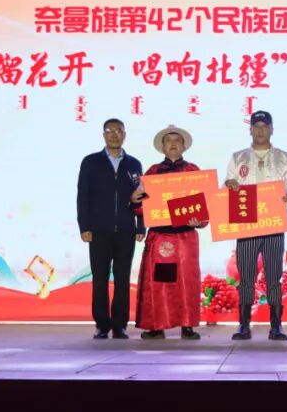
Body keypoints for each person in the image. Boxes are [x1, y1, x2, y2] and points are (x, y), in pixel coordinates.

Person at [223, 110, 287, 341]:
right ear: (250, 130)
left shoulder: (284, 158)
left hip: (274, 223)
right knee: (246, 277)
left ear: (272, 129)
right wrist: (230, 184)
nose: (260, 130)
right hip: (246, 225)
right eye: (256, 126)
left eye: (265, 126)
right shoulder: (238, 158)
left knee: (274, 276)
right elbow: (227, 185)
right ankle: (244, 325)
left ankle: (276, 325)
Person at [135, 125, 206, 340]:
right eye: (168, 140)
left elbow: (205, 205)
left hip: (185, 238)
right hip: (161, 238)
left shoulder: (193, 171)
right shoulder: (153, 173)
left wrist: (199, 220)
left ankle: (187, 325)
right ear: (162, 147)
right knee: (161, 282)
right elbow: (141, 207)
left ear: (184, 146)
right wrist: (135, 201)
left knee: (186, 282)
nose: (173, 144)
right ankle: (157, 325)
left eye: (177, 140)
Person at [77, 118, 146, 339]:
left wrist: (140, 226)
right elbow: (83, 196)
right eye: (110, 131)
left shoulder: (134, 164)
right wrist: (84, 226)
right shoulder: (91, 161)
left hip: (126, 230)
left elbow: (141, 196)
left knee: (123, 279)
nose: (114, 134)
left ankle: (119, 325)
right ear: (103, 135)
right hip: (99, 230)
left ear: (124, 135)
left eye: (118, 131)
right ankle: (101, 325)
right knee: (100, 279)